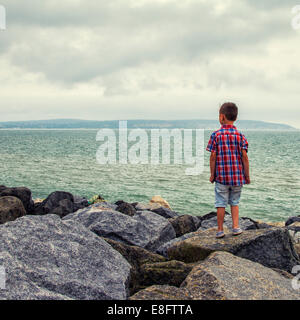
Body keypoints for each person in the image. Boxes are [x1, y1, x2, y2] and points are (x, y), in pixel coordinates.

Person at [206, 102, 250, 239]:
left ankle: (220, 230)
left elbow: (213, 157)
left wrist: (212, 175)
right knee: (234, 202)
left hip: (221, 177)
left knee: (220, 203)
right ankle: (236, 227)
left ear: (222, 117)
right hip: (237, 177)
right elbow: (244, 157)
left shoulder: (216, 135)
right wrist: (246, 176)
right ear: (235, 118)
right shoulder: (240, 136)